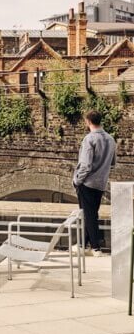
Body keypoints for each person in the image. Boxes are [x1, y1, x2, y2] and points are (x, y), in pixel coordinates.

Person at [73, 110, 116, 257]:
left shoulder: (89, 139)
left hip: (87, 182)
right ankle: (82, 245)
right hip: (101, 183)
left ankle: (96, 247)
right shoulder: (111, 139)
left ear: (88, 122)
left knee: (89, 215)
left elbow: (85, 165)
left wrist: (78, 180)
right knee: (90, 213)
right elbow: (112, 163)